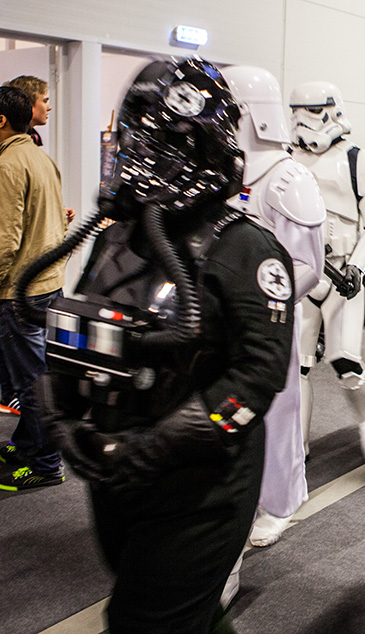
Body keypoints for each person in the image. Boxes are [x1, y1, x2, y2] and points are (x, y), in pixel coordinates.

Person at [35, 57, 294, 632]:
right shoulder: (116, 239)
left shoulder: (247, 248)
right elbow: (74, 329)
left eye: (154, 139)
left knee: (144, 620)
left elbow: (257, 378)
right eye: (133, 134)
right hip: (116, 474)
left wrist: (152, 447)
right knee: (172, 613)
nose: (136, 153)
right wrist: (62, 422)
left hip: (200, 488)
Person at [220, 65, 325, 555]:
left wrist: (264, 304)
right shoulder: (218, 168)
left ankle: (275, 504)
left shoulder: (288, 178)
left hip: (269, 324)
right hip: (215, 323)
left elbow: (309, 263)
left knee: (276, 414)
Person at [289, 80, 365, 464]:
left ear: (333, 109)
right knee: (295, 364)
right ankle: (297, 444)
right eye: (297, 112)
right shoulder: (287, 159)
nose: (304, 122)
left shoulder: (362, 162)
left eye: (312, 111)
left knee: (344, 359)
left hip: (342, 274)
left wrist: (359, 267)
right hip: (301, 272)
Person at [0, 85, 67, 490]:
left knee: (30, 382)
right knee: (36, 375)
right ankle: (27, 443)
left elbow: (3, 241)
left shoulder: (8, 164)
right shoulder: (40, 157)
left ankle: (46, 464)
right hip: (47, 286)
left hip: (19, 291)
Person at [3, 75, 49, 147]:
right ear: (29, 103)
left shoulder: (34, 138)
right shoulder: (12, 142)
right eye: (44, 101)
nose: (49, 107)